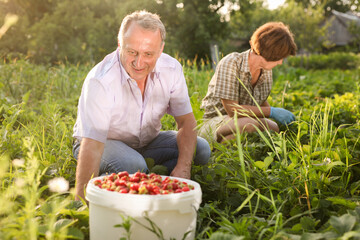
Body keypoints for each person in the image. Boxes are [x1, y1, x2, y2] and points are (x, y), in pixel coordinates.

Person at [72, 10, 211, 200]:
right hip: (102, 143)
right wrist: (81, 200)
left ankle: (142, 179)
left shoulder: (171, 69)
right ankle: (120, 181)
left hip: (147, 143)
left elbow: (187, 123)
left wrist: (183, 168)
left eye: (148, 54)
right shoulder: (101, 80)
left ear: (161, 50)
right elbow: (93, 145)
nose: (139, 62)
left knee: (201, 149)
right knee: (132, 165)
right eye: (132, 52)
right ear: (120, 44)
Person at [199, 22, 297, 143]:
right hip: (214, 122)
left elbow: (260, 102)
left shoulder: (265, 71)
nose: (280, 62)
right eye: (279, 58)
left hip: (242, 121)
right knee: (250, 125)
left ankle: (227, 147)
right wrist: (272, 111)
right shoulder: (231, 63)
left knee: (273, 128)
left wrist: (279, 122)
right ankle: (208, 144)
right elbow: (232, 109)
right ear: (269, 53)